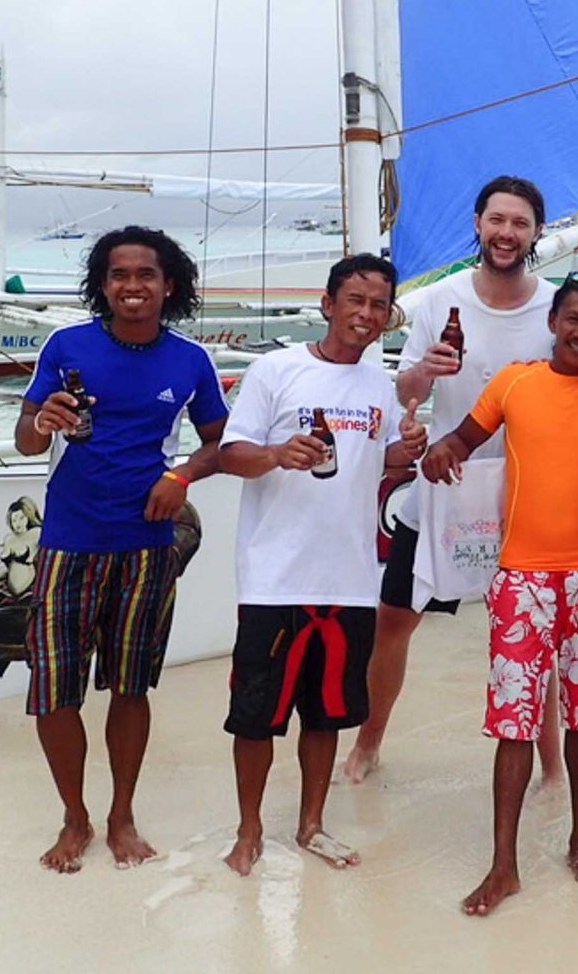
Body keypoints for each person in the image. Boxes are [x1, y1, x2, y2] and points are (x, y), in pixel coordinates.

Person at [419, 272, 578, 916]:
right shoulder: (514, 381)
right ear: (553, 321)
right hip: (521, 578)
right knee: (514, 723)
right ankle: (503, 866)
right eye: (574, 319)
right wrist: (437, 452)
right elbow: (461, 441)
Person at [15, 226, 228, 874]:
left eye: (146, 275)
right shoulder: (66, 347)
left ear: (170, 286)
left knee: (131, 688)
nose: (132, 286)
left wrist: (180, 476)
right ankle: (75, 818)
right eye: (118, 275)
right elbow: (26, 442)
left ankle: (122, 815)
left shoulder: (189, 360)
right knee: (53, 691)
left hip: (145, 544)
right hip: (68, 540)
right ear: (102, 286)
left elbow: (218, 442)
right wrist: (42, 419)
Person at [343, 175, 565, 786]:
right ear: (477, 223)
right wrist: (423, 371)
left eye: (520, 223)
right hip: (443, 485)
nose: (506, 233)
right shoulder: (442, 301)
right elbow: (406, 397)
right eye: (497, 220)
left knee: (529, 638)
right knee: (393, 621)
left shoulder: (554, 306)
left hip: (526, 494)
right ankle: (368, 745)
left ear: (537, 233)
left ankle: (552, 767)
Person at [216, 254, 428, 876]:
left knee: (328, 711)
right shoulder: (275, 369)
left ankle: (311, 825)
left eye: (378, 305)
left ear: (389, 317)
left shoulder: (376, 383)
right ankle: (249, 829)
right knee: (255, 715)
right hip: (274, 575)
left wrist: (404, 449)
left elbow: (383, 461)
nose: (365, 314)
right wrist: (279, 453)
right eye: (355, 300)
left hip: (351, 579)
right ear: (328, 304)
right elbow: (233, 454)